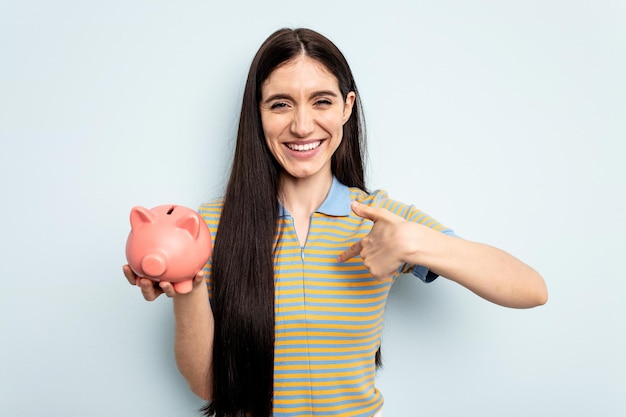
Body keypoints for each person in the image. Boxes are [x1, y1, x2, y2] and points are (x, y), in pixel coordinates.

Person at [123, 27, 548, 417]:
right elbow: (206, 385)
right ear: (258, 114)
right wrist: (187, 287)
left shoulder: (382, 220)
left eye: (321, 101)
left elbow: (531, 289)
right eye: (280, 104)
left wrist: (414, 244)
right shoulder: (210, 225)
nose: (303, 124)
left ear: (346, 108)